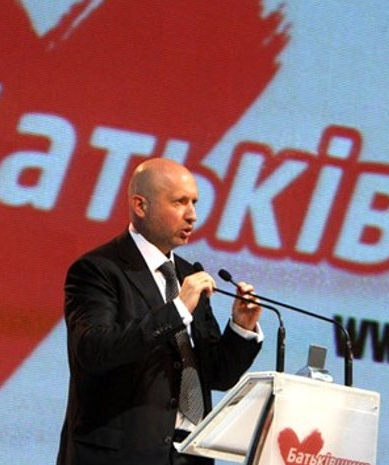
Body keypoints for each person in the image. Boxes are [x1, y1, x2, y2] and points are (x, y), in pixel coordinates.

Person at [56, 158, 263, 465]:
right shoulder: (98, 270)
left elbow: (217, 376)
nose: (192, 215)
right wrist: (177, 309)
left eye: (194, 202)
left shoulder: (188, 274)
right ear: (140, 206)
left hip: (188, 456)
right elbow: (94, 350)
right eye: (179, 202)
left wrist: (241, 328)